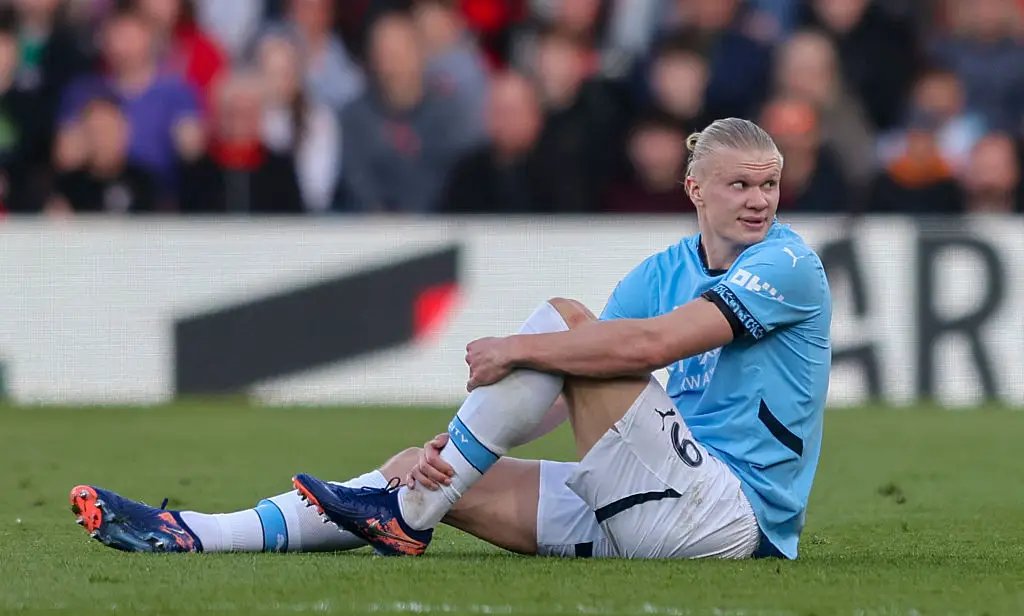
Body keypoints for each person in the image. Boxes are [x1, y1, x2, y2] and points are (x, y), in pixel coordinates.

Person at [70, 117, 832, 562]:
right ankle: (196, 531)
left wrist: (517, 348)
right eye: (740, 184)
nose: (759, 200)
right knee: (428, 473)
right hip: (659, 494)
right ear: (696, 189)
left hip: (734, 521)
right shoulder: (660, 269)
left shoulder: (788, 263)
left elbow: (643, 349)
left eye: (768, 184)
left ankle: (407, 519)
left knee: (565, 320)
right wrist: (457, 444)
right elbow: (575, 385)